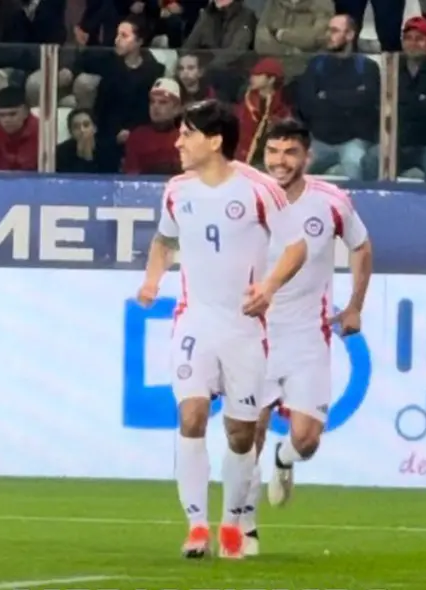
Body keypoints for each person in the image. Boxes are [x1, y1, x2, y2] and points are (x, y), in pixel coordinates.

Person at [135, 100, 308, 560]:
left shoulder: (259, 189)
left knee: (239, 434)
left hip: (244, 328)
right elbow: (164, 239)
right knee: (190, 416)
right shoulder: (176, 190)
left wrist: (269, 286)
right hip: (194, 320)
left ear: (214, 141)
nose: (178, 142)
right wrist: (153, 278)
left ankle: (232, 523)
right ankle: (196, 527)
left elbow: (296, 248)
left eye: (187, 134)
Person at [239, 119, 373, 557]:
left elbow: (361, 246)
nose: (280, 161)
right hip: (254, 333)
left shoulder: (330, 201)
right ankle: (245, 524)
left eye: (290, 153)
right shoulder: (247, 195)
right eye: (273, 152)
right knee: (247, 434)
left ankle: (284, 461)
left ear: (307, 157)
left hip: (307, 337)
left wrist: (354, 305)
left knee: (307, 439)